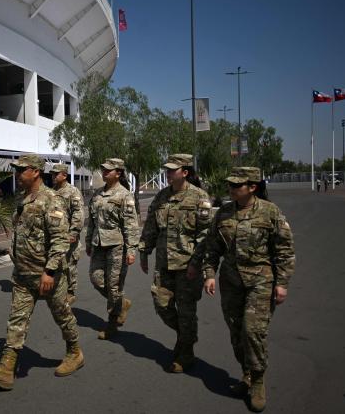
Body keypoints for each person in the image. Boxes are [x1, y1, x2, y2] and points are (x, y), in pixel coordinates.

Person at [0, 154, 83, 390]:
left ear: (35, 171)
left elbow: (60, 241)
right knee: (16, 320)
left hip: (47, 275)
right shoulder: (24, 199)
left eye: (21, 170)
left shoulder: (51, 200)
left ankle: (74, 352)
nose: (17, 174)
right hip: (23, 274)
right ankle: (5, 369)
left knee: (62, 315)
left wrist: (50, 271)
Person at [202, 167, 295, 412]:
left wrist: (282, 283)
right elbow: (212, 248)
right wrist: (209, 274)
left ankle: (258, 380)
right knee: (236, 332)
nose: (231, 189)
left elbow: (284, 250)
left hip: (260, 281)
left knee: (252, 331)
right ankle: (247, 375)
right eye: (230, 185)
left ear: (252, 187)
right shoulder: (222, 213)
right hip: (231, 282)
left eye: (236, 185)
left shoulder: (270, 212)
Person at [138, 154, 212, 372]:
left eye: (172, 170)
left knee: (187, 311)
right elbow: (150, 226)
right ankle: (186, 335)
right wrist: (144, 252)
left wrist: (197, 264)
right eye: (167, 170)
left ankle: (185, 352)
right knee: (162, 305)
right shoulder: (161, 197)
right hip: (164, 264)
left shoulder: (199, 198)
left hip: (188, 266)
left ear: (185, 172)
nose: (168, 173)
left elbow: (205, 234)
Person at [86, 158, 140, 340]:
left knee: (114, 286)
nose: (105, 172)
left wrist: (131, 250)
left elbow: (131, 225)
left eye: (109, 170)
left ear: (118, 173)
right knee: (96, 279)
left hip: (117, 246)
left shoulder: (125, 195)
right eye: (103, 170)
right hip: (98, 244)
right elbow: (91, 222)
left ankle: (112, 323)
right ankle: (121, 304)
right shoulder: (98, 195)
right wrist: (87, 242)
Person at [49, 163, 85, 304]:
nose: (53, 176)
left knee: (70, 265)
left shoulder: (72, 192)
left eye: (55, 174)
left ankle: (70, 292)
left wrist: (74, 232)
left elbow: (78, 213)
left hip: (68, 236)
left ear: (64, 175)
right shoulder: (52, 192)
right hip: (55, 235)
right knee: (57, 263)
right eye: (52, 174)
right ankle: (58, 289)